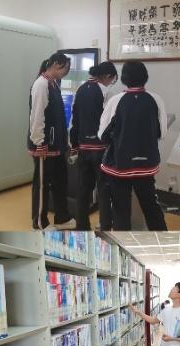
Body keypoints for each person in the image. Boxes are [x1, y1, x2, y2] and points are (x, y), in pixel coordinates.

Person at [99, 60, 169, 231]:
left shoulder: (115, 101)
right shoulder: (156, 99)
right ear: (145, 77)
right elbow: (162, 132)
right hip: (146, 165)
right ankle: (162, 240)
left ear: (124, 78)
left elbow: (102, 134)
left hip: (119, 165)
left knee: (121, 211)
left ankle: (123, 242)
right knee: (151, 207)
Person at [29, 52, 76, 231]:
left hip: (57, 145)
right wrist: (39, 142)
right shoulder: (41, 84)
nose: (66, 73)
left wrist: (66, 141)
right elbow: (37, 116)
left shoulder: (53, 83)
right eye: (65, 69)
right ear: (56, 64)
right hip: (44, 146)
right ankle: (39, 222)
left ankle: (62, 218)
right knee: (42, 185)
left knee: (60, 182)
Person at [70, 61, 119, 230]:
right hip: (101, 150)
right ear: (107, 76)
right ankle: (105, 225)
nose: (111, 83)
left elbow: (74, 119)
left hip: (83, 148)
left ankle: (82, 226)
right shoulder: (107, 92)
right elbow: (111, 122)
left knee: (83, 189)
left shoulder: (81, 89)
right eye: (112, 79)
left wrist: (74, 144)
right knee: (104, 189)